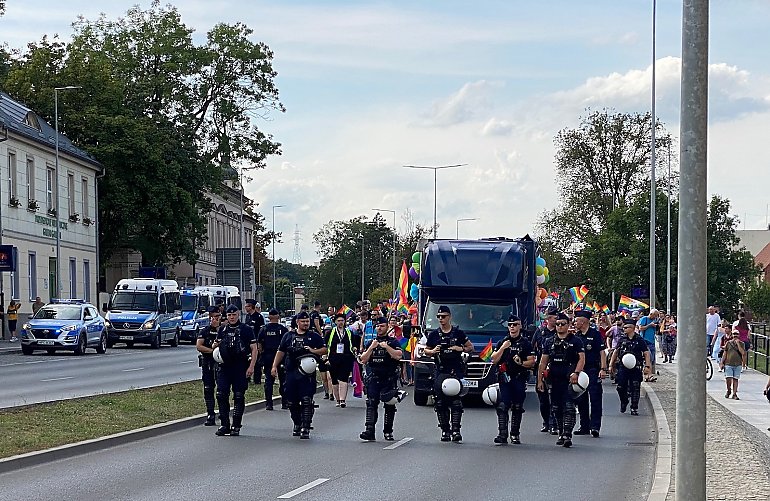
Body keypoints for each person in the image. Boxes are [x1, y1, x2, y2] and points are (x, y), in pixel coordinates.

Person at [272, 311, 327, 439]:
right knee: (292, 401)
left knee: (307, 400)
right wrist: (274, 366)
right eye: (303, 321)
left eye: (307, 321)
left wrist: (313, 351)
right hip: (291, 372)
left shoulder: (314, 336)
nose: (306, 323)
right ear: (297, 322)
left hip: (307, 374)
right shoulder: (288, 336)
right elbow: (280, 351)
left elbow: (324, 349)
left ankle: (306, 427)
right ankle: (297, 423)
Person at [424, 305, 474, 443]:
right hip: (441, 371)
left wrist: (460, 348)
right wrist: (433, 351)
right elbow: (426, 351)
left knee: (456, 402)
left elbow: (471, 347)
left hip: (455, 371)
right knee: (440, 403)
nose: (441, 319)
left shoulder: (458, 333)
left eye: (444, 316)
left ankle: (456, 430)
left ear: (450, 317)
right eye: (439, 317)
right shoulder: (434, 335)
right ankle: (445, 430)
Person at [537, 312, 585, 448]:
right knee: (556, 408)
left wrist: (577, 373)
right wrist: (540, 380)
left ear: (568, 325)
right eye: (557, 324)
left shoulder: (576, 341)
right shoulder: (549, 341)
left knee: (569, 407)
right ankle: (561, 432)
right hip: (554, 379)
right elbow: (543, 362)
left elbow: (582, 359)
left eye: (563, 324)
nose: (559, 327)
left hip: (570, 379)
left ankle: (567, 434)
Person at [211, 304, 257, 436]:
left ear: (238, 315)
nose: (232, 317)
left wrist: (251, 366)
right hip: (225, 367)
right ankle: (224, 424)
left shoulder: (246, 329)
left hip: (240, 366)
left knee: (238, 395)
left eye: (234, 315)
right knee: (221, 394)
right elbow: (216, 344)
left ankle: (236, 425)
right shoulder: (223, 329)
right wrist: (215, 345)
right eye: (229, 315)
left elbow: (254, 349)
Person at [490, 314, 536, 445]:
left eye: (515, 325)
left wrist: (521, 362)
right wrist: (503, 348)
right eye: (510, 325)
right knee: (503, 405)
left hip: (518, 378)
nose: (512, 328)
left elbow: (531, 362)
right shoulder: (503, 341)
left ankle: (515, 434)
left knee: (517, 406)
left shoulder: (525, 343)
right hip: (504, 378)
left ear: (520, 326)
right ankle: (502, 434)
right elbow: (493, 359)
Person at [359, 316, 403, 441]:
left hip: (388, 378)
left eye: (382, 326)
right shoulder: (371, 342)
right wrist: (372, 348)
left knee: (389, 405)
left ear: (387, 326)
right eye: (377, 326)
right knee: (371, 404)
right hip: (374, 378)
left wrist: (387, 348)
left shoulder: (393, 342)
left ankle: (388, 431)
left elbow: (398, 356)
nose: (379, 328)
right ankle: (369, 431)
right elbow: (363, 359)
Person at [573, 310, 607, 438]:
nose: (575, 323)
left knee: (595, 399)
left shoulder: (596, 334)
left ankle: (595, 427)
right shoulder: (576, 336)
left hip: (593, 370)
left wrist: (603, 369)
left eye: (577, 321)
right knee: (581, 399)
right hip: (581, 371)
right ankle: (584, 426)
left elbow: (602, 352)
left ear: (583, 321)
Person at [609, 318, 651, 415]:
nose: (624, 329)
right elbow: (616, 351)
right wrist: (611, 365)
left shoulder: (639, 340)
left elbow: (646, 353)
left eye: (626, 327)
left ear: (632, 328)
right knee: (620, 387)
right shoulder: (622, 339)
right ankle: (624, 401)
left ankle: (634, 407)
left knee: (635, 386)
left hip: (636, 367)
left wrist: (647, 366)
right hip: (623, 367)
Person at [531, 308, 558, 434]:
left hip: (555, 366)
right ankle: (546, 421)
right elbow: (533, 347)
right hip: (541, 366)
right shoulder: (540, 331)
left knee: (555, 398)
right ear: (548, 318)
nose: (556, 319)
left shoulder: (560, 332)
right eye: (554, 317)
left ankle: (554, 424)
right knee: (543, 399)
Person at [326, 313, 360, 408]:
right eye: (338, 321)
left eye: (342, 320)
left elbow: (353, 344)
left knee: (344, 378)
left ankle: (342, 400)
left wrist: (355, 349)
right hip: (333, 358)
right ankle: (337, 399)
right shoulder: (330, 332)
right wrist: (325, 358)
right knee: (335, 380)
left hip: (346, 358)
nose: (340, 322)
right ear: (335, 322)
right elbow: (326, 345)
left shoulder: (349, 332)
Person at [196, 306, 222, 425]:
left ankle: (223, 413)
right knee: (208, 388)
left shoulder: (224, 330)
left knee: (222, 390)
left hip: (222, 364)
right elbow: (199, 346)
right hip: (208, 363)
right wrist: (212, 352)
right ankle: (210, 414)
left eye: (217, 316)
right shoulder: (205, 331)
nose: (215, 319)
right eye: (213, 317)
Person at [258, 308, 289, 410]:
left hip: (268, 357)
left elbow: (259, 345)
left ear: (269, 317)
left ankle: (269, 403)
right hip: (281, 357)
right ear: (278, 317)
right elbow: (287, 345)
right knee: (283, 380)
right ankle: (284, 402)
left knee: (268, 381)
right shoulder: (283, 329)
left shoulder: (264, 329)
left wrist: (261, 354)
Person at [244, 300, 265, 385]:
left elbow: (261, 330)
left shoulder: (258, 317)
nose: (245, 308)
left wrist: (260, 343)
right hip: (248, 342)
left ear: (251, 306)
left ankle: (257, 380)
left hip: (256, 341)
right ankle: (247, 378)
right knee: (247, 360)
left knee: (257, 362)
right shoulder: (248, 316)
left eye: (247, 306)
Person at [721, 330, 746, 400]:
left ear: (739, 335)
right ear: (732, 335)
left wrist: (738, 344)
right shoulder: (728, 343)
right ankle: (729, 390)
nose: (735, 335)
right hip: (728, 363)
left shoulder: (742, 343)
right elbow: (725, 353)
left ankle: (734, 394)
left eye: (737, 334)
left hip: (738, 364)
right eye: (734, 334)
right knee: (728, 379)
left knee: (735, 379)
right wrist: (722, 362)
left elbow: (743, 353)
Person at [637, 309, 660, 381]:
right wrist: (650, 325)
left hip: (652, 341)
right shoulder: (644, 319)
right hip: (645, 341)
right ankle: (649, 375)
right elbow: (641, 328)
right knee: (648, 358)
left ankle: (647, 375)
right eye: (655, 315)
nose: (655, 317)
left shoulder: (654, 321)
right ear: (651, 314)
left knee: (652, 359)